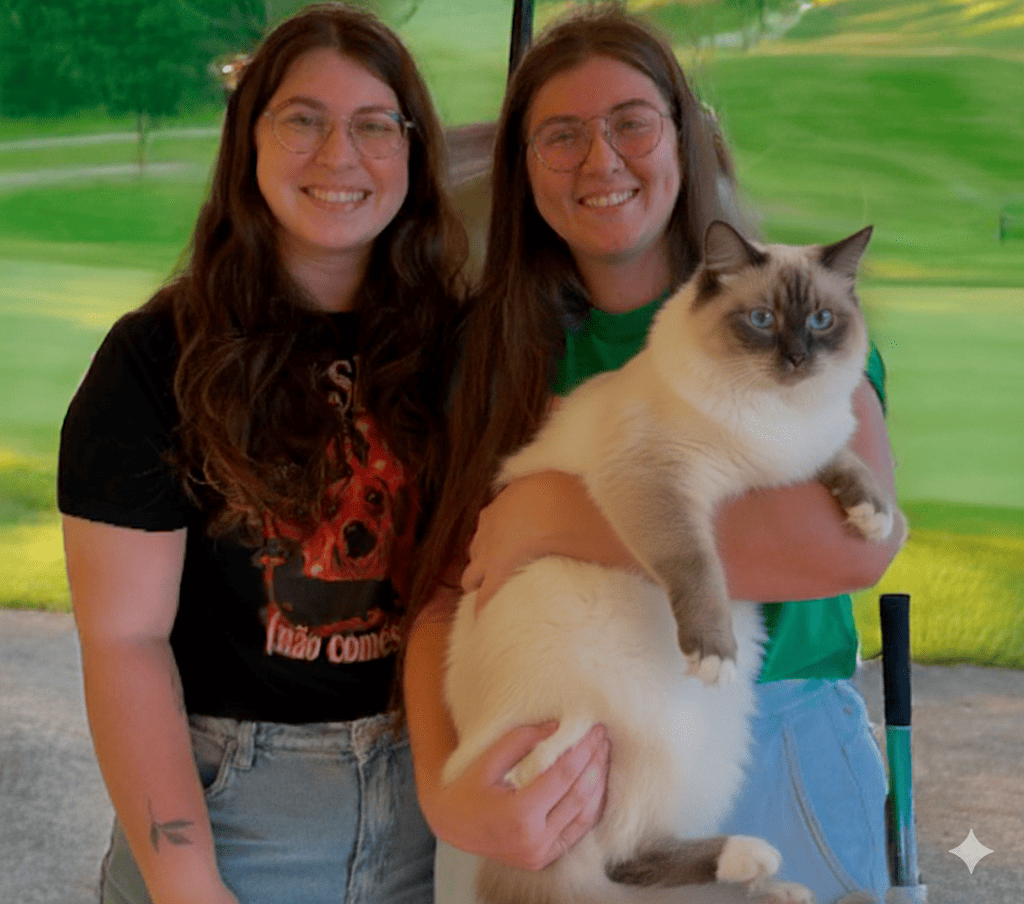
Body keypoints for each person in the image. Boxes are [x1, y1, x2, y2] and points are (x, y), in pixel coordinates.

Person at [404, 6, 907, 904]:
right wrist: (447, 795)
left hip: (779, 737)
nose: (600, 160)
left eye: (631, 123)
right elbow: (447, 594)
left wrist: (551, 515)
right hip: (578, 759)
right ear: (523, 164)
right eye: (561, 136)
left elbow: (849, 547)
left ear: (685, 137)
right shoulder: (487, 354)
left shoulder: (798, 308)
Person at [58, 4, 468, 903]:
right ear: (248, 140)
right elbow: (124, 642)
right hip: (231, 808)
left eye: (375, 125)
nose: (339, 155)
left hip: (435, 803)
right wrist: (187, 882)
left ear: (413, 150)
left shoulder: (464, 347)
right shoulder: (157, 358)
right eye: (302, 121)